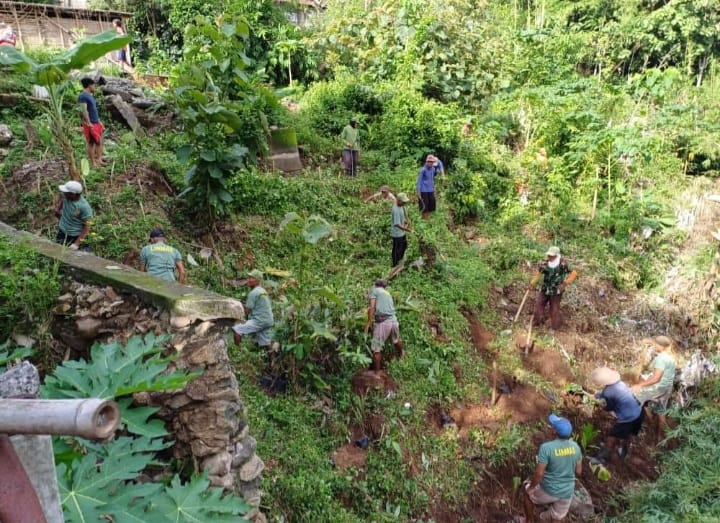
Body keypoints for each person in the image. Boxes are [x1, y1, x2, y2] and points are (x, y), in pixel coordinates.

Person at [520, 414, 582, 523]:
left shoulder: (546, 448)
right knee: (556, 517)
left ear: (554, 432)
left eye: (552, 426)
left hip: (549, 489)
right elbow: (578, 471)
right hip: (568, 492)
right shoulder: (575, 447)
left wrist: (531, 487)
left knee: (527, 492)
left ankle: (529, 520)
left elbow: (539, 474)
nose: (551, 427)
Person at [589, 367, 644, 464]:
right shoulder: (620, 383)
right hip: (639, 412)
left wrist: (599, 403)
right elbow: (613, 395)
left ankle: (600, 458)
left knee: (611, 438)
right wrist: (598, 396)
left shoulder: (608, 392)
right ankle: (624, 452)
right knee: (629, 435)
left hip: (627, 419)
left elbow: (608, 407)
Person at [632, 336, 677, 442]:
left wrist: (640, 385)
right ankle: (661, 438)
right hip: (667, 388)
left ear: (661, 346)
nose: (654, 346)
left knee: (635, 397)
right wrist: (649, 343)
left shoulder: (660, 359)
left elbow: (656, 378)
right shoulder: (671, 357)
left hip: (658, 388)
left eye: (656, 344)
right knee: (661, 412)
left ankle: (636, 429)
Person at [528, 246, 577, 330]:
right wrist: (532, 283)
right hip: (545, 289)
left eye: (551, 255)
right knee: (538, 306)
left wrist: (565, 283)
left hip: (556, 291)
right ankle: (536, 323)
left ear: (557, 255)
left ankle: (554, 328)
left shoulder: (563, 264)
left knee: (554, 309)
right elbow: (538, 274)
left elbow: (574, 273)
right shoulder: (545, 264)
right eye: (549, 255)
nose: (549, 257)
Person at [364, 279, 403, 372]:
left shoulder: (374, 290)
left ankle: (377, 374)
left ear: (375, 285)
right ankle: (402, 355)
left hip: (383, 322)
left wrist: (368, 323)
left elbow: (372, 307)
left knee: (376, 349)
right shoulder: (387, 293)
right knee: (396, 340)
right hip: (393, 320)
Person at [232, 270, 276, 349]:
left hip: (259, 321)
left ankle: (239, 351)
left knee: (237, 329)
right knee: (265, 342)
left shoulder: (253, 293)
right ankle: (272, 360)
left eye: (251, 278)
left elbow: (246, 311)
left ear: (257, 280)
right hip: (268, 320)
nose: (248, 280)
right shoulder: (263, 291)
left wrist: (237, 308)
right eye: (248, 278)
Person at [54, 180, 93, 250]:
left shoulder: (84, 207)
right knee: (57, 252)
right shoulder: (65, 197)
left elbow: (87, 227)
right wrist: (58, 209)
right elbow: (60, 200)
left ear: (73, 194)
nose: (63, 193)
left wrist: (76, 243)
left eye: (66, 192)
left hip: (75, 235)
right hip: (62, 232)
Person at [78, 77, 105, 167]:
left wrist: (99, 121)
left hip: (96, 121)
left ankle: (99, 160)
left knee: (99, 141)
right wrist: (88, 123)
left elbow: (94, 110)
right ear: (89, 85)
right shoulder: (83, 96)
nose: (95, 87)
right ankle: (93, 162)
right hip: (90, 123)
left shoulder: (90, 96)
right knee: (91, 143)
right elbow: (84, 110)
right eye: (93, 85)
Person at [391, 193, 411, 267]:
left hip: (401, 232)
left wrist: (406, 222)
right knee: (397, 249)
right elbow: (397, 224)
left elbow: (401, 219)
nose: (404, 203)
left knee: (404, 246)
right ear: (398, 201)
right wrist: (406, 229)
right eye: (403, 202)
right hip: (396, 234)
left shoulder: (401, 207)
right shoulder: (395, 209)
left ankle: (400, 260)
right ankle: (395, 264)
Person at [417, 154, 439, 219]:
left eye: (432, 162)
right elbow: (419, 181)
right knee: (424, 206)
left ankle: (428, 219)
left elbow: (432, 179)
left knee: (431, 204)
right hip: (423, 191)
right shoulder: (423, 170)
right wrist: (418, 191)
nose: (431, 163)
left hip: (430, 190)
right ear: (426, 162)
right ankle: (425, 220)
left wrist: (434, 188)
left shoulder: (433, 169)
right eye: (429, 161)